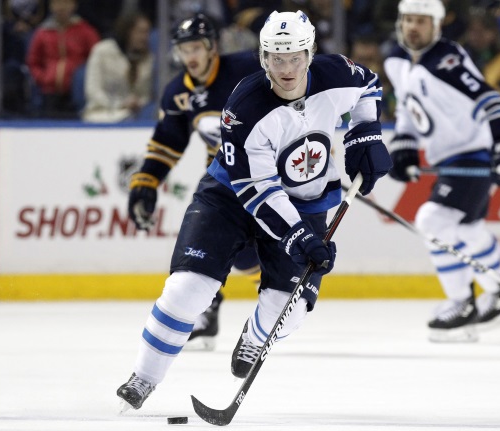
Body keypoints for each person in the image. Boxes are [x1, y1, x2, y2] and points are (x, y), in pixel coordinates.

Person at [117, 9, 391, 411]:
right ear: (263, 57)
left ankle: (254, 336)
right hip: (229, 197)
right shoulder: (245, 107)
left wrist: (364, 135)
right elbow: (257, 190)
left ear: (310, 53)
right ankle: (143, 377)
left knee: (289, 309)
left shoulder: (337, 74)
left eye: (295, 56)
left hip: (304, 198)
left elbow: (370, 86)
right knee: (187, 290)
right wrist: (300, 238)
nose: (286, 68)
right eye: (276, 58)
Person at [384, 0, 500, 343]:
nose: (413, 27)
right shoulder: (404, 63)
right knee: (468, 227)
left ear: (437, 25)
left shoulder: (446, 61)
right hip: (452, 158)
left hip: (472, 154)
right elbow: (408, 108)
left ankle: (462, 302)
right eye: (408, 20)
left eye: (421, 21)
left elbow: (493, 103)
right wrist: (404, 144)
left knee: (432, 221)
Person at [126, 13, 263, 351]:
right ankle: (207, 306)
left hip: (267, 171)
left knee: (249, 256)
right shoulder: (177, 93)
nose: (191, 56)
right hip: (223, 181)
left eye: (197, 47)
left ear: (212, 47)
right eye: (183, 49)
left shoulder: (246, 68)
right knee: (209, 241)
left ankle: (276, 283)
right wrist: (145, 182)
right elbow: (167, 142)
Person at [25, 0, 100, 118]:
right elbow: (33, 61)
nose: (62, 7)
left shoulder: (86, 31)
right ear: (51, 6)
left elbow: (97, 59)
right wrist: (43, 78)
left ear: (74, 5)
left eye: (66, 3)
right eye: (57, 3)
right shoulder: (42, 33)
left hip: (77, 92)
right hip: (49, 91)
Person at [82, 11, 155, 122]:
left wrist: (138, 102)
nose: (144, 37)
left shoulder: (149, 58)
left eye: (147, 32)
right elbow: (93, 90)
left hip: (136, 116)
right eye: (140, 32)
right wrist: (119, 104)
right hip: (101, 113)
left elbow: (146, 94)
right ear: (127, 31)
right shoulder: (102, 51)